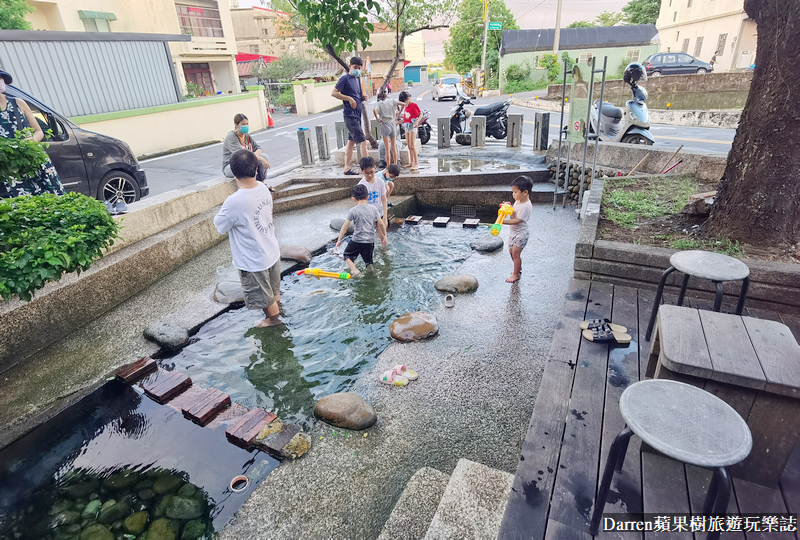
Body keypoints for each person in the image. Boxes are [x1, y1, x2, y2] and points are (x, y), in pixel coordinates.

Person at [213, 149, 282, 328]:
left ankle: (273, 323)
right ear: (256, 170)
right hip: (271, 251)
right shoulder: (264, 189)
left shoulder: (234, 201)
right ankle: (277, 313)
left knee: (266, 300)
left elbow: (219, 225)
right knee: (273, 293)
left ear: (233, 173)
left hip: (253, 260)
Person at [0, 69, 63, 199]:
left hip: (37, 160)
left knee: (55, 198)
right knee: (26, 205)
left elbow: (39, 132)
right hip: (12, 168)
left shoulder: (18, 102)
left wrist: (29, 141)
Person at [335, 184, 388, 277]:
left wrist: (339, 240)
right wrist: (384, 236)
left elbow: (345, 227)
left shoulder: (353, 211)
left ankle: (355, 271)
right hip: (369, 241)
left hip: (357, 240)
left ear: (353, 199)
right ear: (367, 197)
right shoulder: (374, 209)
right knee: (369, 262)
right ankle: (372, 273)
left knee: (347, 256)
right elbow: (381, 224)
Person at [332, 57, 368, 175]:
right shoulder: (344, 79)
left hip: (356, 116)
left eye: (359, 68)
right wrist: (349, 99)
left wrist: (361, 98)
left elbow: (356, 95)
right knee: (363, 142)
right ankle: (367, 168)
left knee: (350, 143)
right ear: (349, 66)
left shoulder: (356, 79)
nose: (357, 69)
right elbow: (334, 93)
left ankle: (346, 168)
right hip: (350, 116)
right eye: (355, 67)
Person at [502, 175, 533, 284]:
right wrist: (509, 209)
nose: (513, 194)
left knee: (515, 254)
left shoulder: (526, 206)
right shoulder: (518, 202)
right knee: (511, 252)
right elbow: (514, 215)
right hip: (513, 232)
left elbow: (517, 220)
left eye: (515, 192)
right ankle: (517, 268)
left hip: (521, 234)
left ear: (525, 192)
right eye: (513, 192)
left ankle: (515, 274)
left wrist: (503, 222)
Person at [222, 113, 270, 182]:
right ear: (236, 125)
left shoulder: (246, 136)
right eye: (243, 124)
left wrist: (257, 156)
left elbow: (259, 148)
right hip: (231, 166)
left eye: (247, 124)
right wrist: (260, 159)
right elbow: (242, 154)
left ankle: (262, 184)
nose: (246, 126)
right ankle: (253, 186)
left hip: (245, 161)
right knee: (254, 161)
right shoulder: (232, 136)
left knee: (264, 156)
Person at [373, 88, 402, 167]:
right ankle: (395, 164)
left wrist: (377, 118)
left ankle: (388, 166)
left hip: (385, 124)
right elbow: (402, 104)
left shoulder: (379, 103)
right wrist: (399, 113)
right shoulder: (392, 101)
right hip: (392, 123)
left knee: (387, 148)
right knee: (394, 147)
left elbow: (374, 110)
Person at [356, 156, 388, 228]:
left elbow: (384, 199)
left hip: (380, 214)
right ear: (362, 171)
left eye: (372, 172)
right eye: (366, 173)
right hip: (368, 216)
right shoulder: (361, 185)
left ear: (375, 168)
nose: (370, 175)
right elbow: (360, 205)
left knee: (383, 236)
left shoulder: (380, 182)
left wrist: (385, 217)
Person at [398, 91, 421, 171]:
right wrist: (401, 117)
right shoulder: (406, 106)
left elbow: (420, 114)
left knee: (412, 145)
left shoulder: (414, 105)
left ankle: (416, 163)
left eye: (404, 102)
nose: (404, 104)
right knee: (409, 145)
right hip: (407, 125)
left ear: (408, 99)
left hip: (413, 126)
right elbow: (407, 116)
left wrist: (417, 122)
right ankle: (411, 162)